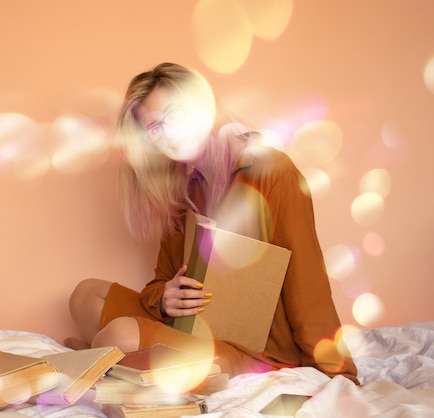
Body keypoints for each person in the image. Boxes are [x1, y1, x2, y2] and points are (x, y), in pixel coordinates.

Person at [65, 62, 358, 383]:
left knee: (119, 335)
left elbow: (308, 282)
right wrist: (164, 299)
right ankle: (109, 359)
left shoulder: (271, 171)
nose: (170, 133)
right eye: (155, 129)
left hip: (256, 350)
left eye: (174, 114)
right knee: (85, 295)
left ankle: (104, 357)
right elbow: (161, 279)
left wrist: (338, 374)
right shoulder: (180, 192)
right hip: (191, 329)